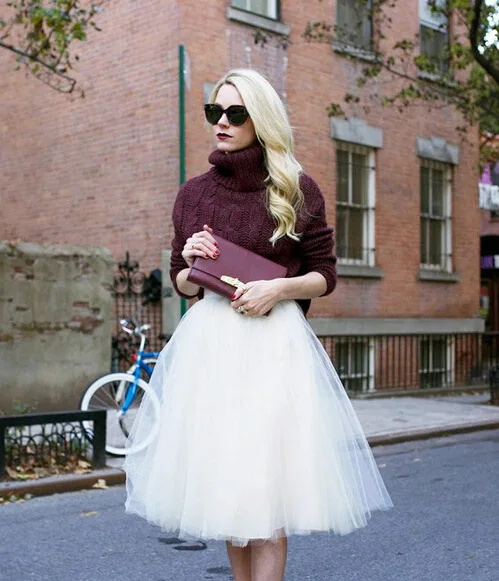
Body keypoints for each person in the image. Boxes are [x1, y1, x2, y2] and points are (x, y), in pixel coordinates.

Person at [124, 68, 392, 581]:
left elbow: (324, 274)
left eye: (235, 113)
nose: (221, 122)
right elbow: (182, 282)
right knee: (229, 491)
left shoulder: (296, 188)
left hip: (273, 346)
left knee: (268, 496)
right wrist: (188, 260)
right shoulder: (192, 194)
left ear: (260, 119)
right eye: (214, 111)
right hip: (213, 347)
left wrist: (278, 288)